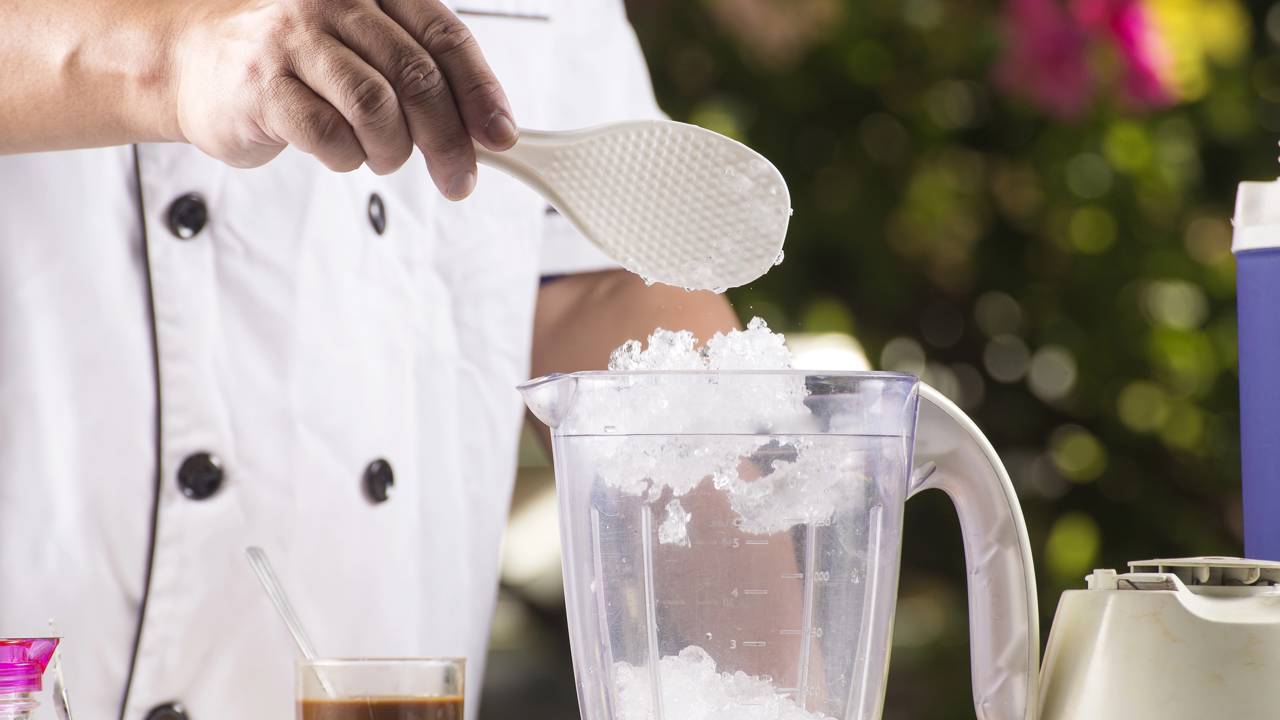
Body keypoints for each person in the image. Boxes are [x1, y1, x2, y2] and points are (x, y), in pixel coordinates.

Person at [0, 1, 737, 718]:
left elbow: (598, 286)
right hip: (41, 665)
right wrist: (170, 59)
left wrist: (768, 682)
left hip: (395, 679)